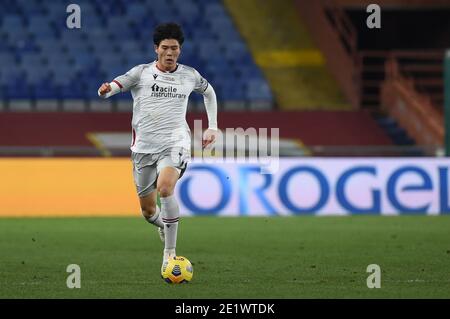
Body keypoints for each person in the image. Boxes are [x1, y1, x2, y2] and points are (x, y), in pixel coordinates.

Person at [97, 22, 218, 270]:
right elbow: (116, 85)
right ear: (156, 49)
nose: (170, 52)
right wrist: (106, 91)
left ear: (180, 50)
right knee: (148, 210)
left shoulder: (190, 75)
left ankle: (169, 254)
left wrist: (212, 125)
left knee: (165, 189)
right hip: (142, 149)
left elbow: (209, 92)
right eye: (165, 47)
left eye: (175, 48)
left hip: (175, 144)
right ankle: (164, 226)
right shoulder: (141, 73)